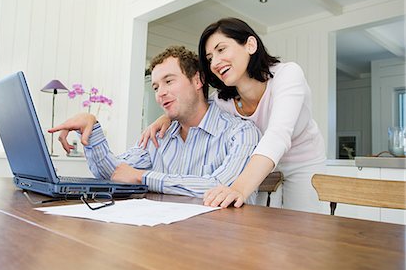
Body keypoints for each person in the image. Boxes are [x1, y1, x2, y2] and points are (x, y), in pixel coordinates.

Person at [140, 18, 326, 212]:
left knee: (302, 226)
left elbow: (278, 134)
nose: (215, 63)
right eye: (210, 58)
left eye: (221, 50)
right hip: (259, 162)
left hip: (302, 161)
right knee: (265, 226)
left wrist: (237, 188)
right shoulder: (223, 99)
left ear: (250, 45)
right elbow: (195, 104)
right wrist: (167, 117)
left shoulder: (288, 75)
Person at [49, 45, 260, 200]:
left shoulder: (241, 132)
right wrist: (92, 129)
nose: (161, 94)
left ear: (197, 80)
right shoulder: (158, 135)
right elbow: (114, 173)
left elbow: (222, 187)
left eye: (169, 81)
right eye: (156, 87)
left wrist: (143, 177)